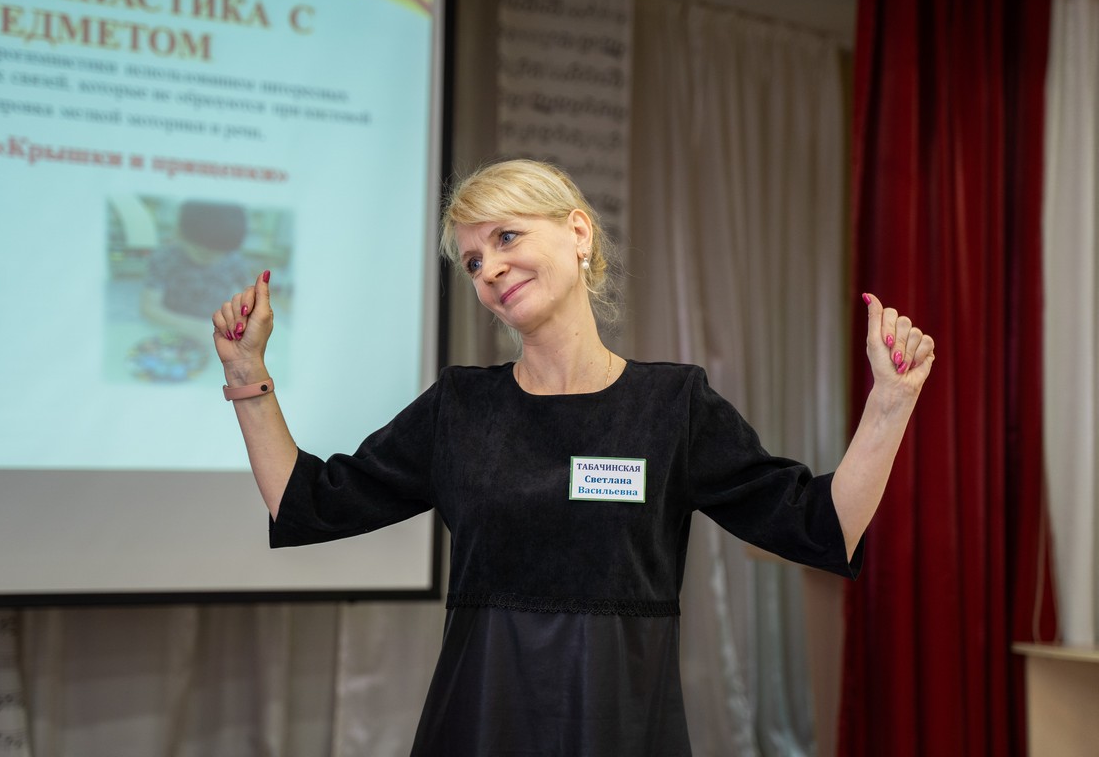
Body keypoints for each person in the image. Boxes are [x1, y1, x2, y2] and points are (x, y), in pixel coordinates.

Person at [210, 159, 935, 756]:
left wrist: (890, 402)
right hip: (479, 725)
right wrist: (246, 373)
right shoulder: (461, 407)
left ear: (578, 233)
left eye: (506, 237)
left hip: (618, 727)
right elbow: (307, 503)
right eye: (473, 261)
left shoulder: (671, 406)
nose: (490, 269)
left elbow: (819, 524)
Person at [142, 200, 253, 340]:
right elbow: (149, 308)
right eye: (201, 252)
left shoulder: (235, 261)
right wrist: (191, 326)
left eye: (220, 253)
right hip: (170, 328)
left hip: (215, 331)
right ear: (179, 234)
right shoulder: (163, 259)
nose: (211, 259)